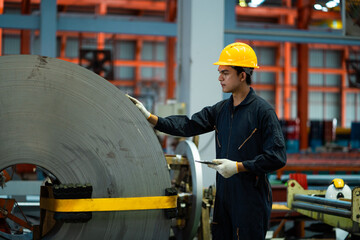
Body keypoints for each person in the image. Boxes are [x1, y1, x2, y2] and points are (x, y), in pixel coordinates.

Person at [126, 42, 287, 240]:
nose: (220, 78)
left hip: (249, 200)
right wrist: (151, 117)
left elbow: (277, 157)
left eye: (225, 73)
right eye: (220, 72)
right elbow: (188, 125)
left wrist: (238, 167)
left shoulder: (263, 112)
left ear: (242, 75)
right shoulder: (221, 110)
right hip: (224, 198)